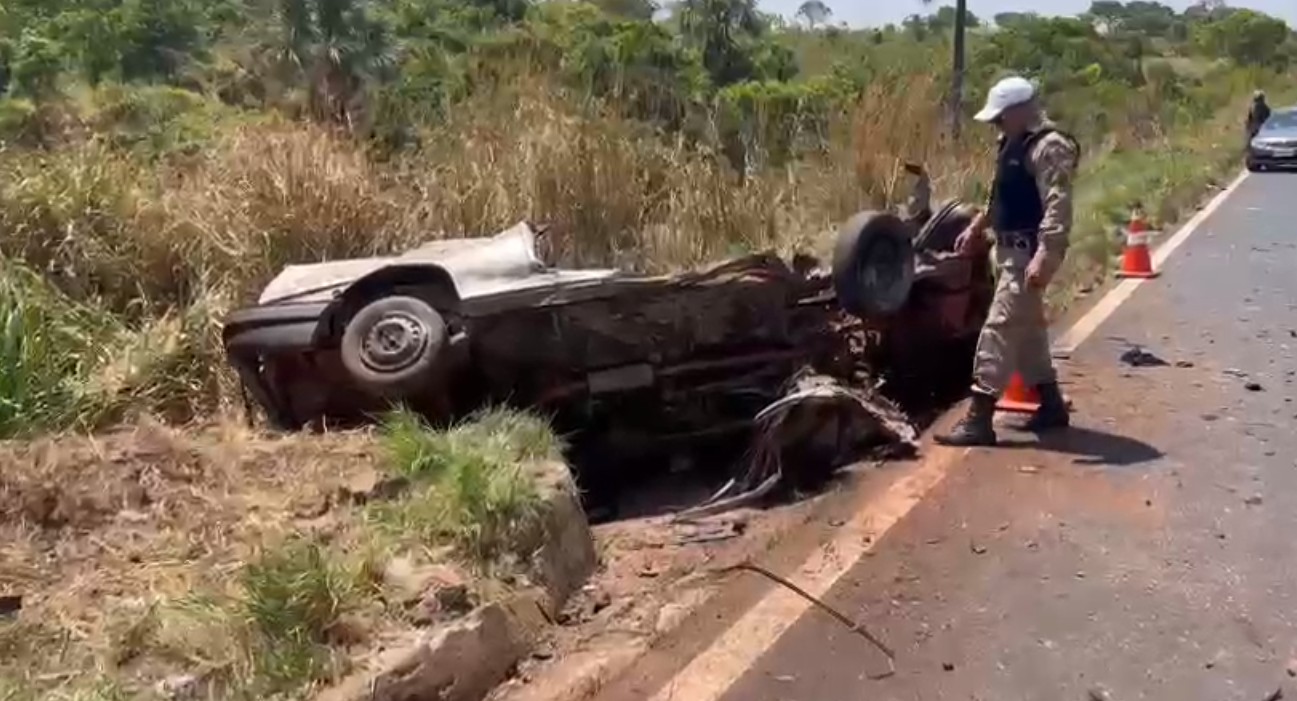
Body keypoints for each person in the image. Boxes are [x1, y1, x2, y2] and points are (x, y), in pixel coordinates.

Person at [935, 76, 1080, 448]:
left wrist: (1047, 253)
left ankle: (979, 419)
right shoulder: (1012, 144)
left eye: (1001, 117)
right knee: (1029, 333)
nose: (996, 125)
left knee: (998, 329)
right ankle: (1050, 405)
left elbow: (1058, 204)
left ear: (1020, 111)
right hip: (1008, 250)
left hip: (1027, 254)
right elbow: (999, 196)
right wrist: (977, 227)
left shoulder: (1049, 147)